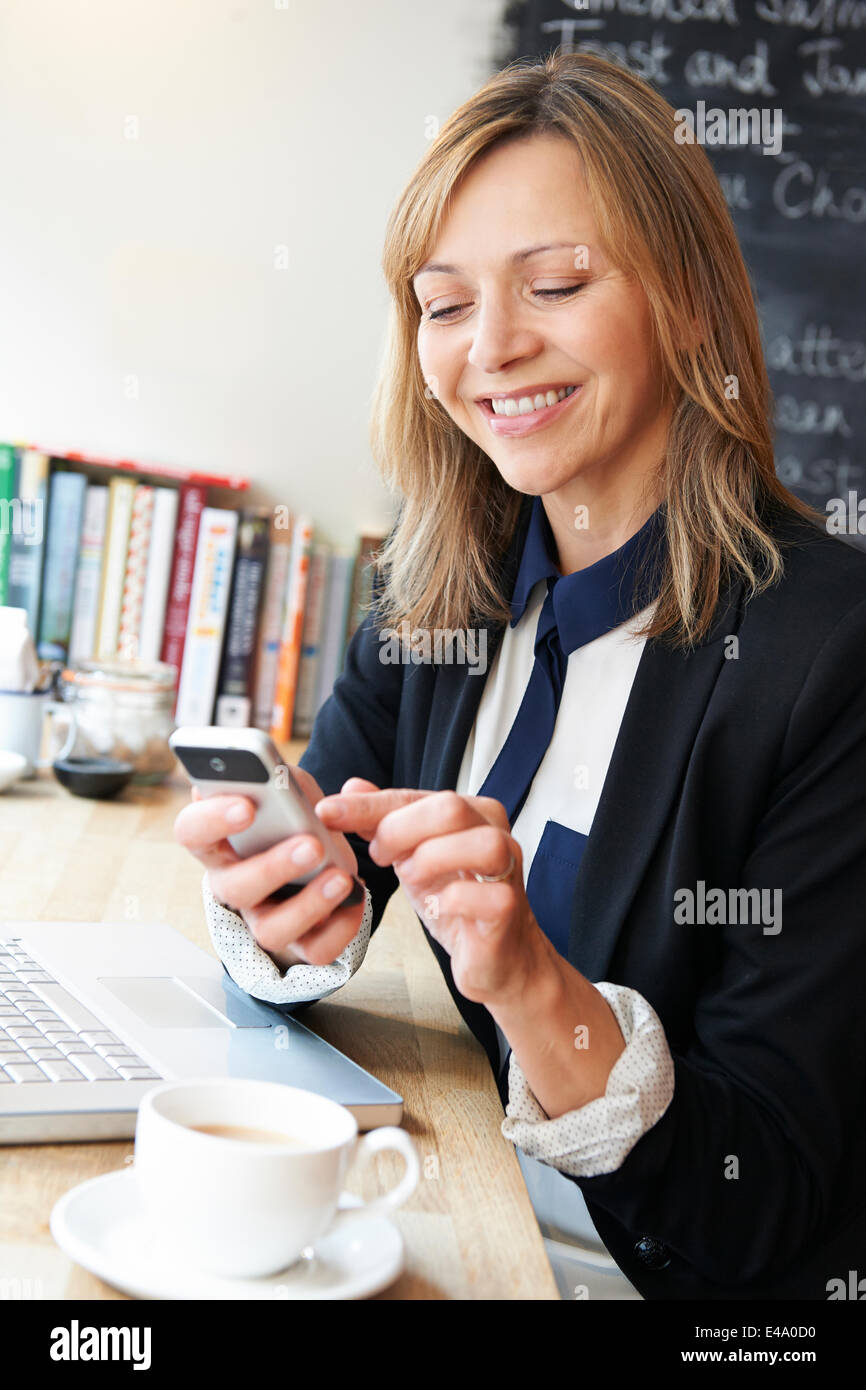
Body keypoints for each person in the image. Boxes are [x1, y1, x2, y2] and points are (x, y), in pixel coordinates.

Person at [174, 51, 866, 1300]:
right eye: (442, 305)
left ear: (690, 303)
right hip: (445, 1221)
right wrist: (285, 913)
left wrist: (532, 984)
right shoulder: (444, 584)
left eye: (553, 284)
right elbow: (319, 893)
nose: (489, 348)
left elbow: (761, 1198)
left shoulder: (832, 654)